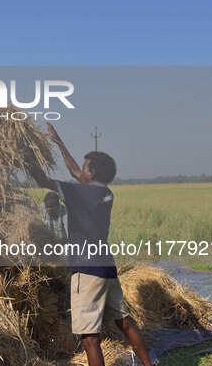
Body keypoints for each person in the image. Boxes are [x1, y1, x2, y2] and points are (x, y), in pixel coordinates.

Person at [29, 123, 153, 366]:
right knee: (125, 322)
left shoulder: (78, 194)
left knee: (89, 338)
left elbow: (42, 179)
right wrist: (58, 141)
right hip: (106, 267)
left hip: (86, 271)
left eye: (86, 167)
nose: (81, 171)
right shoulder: (105, 193)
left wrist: (27, 155)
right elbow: (76, 172)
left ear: (92, 173)